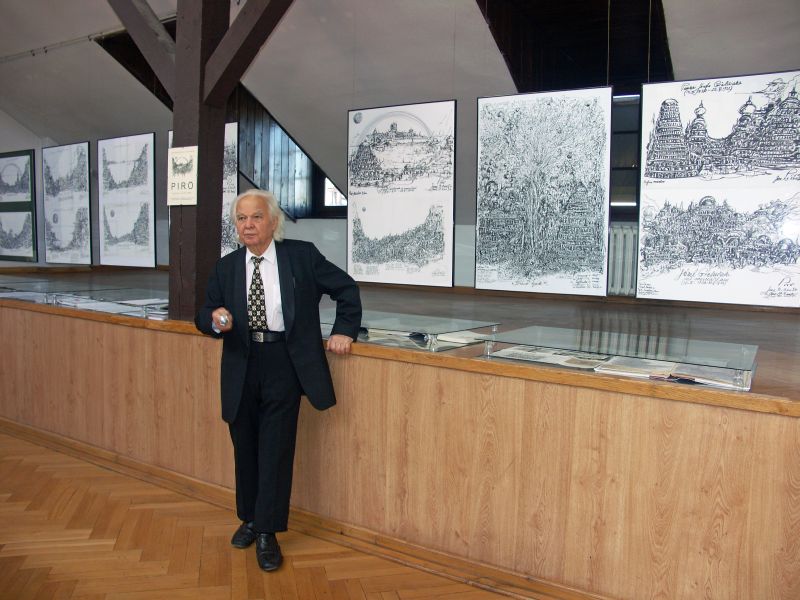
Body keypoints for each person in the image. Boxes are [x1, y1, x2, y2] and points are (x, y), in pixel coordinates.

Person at [195, 189, 361, 572]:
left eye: (256, 217)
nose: (248, 225)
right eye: (241, 218)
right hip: (241, 362)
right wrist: (214, 320)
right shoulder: (226, 267)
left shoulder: (301, 257)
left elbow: (346, 289)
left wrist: (343, 331)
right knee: (244, 446)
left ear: (273, 222)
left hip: (284, 363)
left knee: (275, 448)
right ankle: (250, 519)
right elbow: (204, 314)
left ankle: (268, 531)